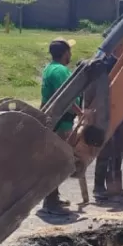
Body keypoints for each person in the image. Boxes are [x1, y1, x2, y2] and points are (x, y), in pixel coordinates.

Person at [93, 37, 123, 203]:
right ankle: (99, 187)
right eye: (119, 43)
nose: (121, 46)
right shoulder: (105, 63)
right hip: (107, 112)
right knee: (105, 149)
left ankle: (115, 185)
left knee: (119, 149)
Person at [40, 37, 84, 215]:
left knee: (55, 159)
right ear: (65, 53)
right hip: (60, 122)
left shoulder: (50, 68)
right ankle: (51, 203)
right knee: (58, 161)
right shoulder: (60, 71)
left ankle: (53, 196)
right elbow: (66, 95)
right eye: (69, 51)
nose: (71, 54)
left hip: (54, 121)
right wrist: (81, 112)